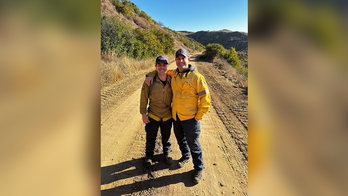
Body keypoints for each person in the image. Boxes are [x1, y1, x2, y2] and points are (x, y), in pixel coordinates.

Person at [145, 48, 211, 184]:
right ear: (175, 61)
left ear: (188, 59)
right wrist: (149, 74)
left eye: (183, 58)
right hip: (176, 117)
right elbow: (160, 71)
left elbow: (206, 99)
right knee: (181, 140)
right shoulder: (173, 74)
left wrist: (198, 116)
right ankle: (185, 156)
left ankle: (198, 168)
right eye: (178, 58)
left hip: (191, 119)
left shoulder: (197, 77)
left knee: (194, 144)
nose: (181, 61)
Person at [140, 55, 173, 168]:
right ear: (156, 66)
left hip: (168, 116)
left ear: (167, 66)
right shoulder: (149, 81)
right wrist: (144, 115)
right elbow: (143, 98)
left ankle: (167, 154)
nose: (162, 67)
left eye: (164, 65)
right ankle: (149, 157)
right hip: (153, 115)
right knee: (151, 138)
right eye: (159, 65)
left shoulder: (172, 79)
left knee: (166, 137)